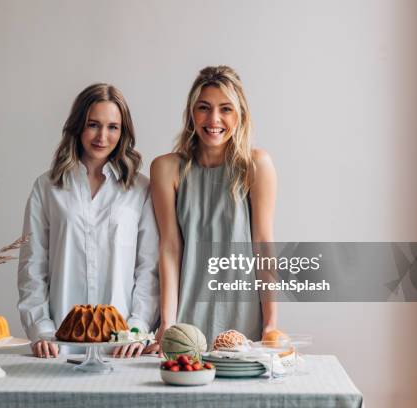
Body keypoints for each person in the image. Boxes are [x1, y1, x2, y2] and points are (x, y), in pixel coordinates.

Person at [18, 83, 159, 358]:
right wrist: (41, 329)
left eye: (113, 127)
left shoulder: (141, 190)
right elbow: (32, 266)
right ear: (78, 125)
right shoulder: (47, 187)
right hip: (59, 344)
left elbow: (149, 269)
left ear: (123, 132)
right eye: (93, 124)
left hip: (121, 348)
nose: (102, 136)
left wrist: (136, 330)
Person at [149, 66, 278, 349]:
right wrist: (167, 322)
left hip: (242, 313)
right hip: (185, 314)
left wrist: (270, 323)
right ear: (191, 113)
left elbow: (263, 245)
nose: (214, 119)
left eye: (226, 109)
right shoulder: (166, 169)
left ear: (240, 114)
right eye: (204, 108)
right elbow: (169, 247)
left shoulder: (256, 165)